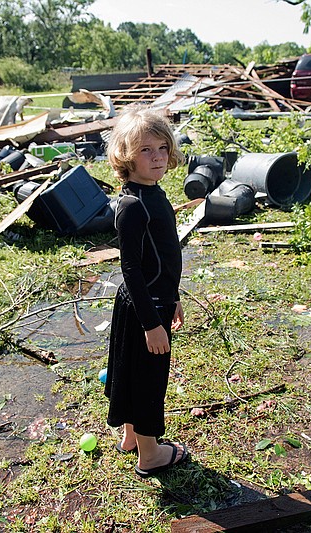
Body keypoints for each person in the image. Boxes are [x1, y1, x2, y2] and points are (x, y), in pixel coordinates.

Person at [103, 105, 190, 478]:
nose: (156, 158)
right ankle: (150, 454)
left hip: (153, 301)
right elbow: (132, 268)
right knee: (148, 380)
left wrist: (174, 297)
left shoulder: (153, 192)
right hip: (144, 307)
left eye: (161, 148)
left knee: (130, 372)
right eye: (144, 150)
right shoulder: (132, 205)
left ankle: (130, 436)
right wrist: (152, 323)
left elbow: (163, 258)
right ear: (126, 156)